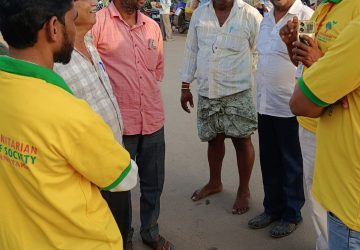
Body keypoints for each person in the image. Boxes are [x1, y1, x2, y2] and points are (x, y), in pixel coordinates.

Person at [0, 0, 137, 249]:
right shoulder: (68, 111)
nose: (74, 29)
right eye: (71, 20)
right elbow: (124, 177)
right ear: (54, 28)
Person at [289, 0, 360, 248]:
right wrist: (291, 45)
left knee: (327, 207)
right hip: (312, 119)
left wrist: (320, 64)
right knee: (315, 196)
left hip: (356, 179)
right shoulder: (319, 10)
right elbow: (302, 63)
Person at [53, 0, 136, 249]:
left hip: (114, 160)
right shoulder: (54, 61)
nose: (95, 2)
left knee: (121, 228)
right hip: (87, 177)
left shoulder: (88, 42)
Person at [91, 0, 173, 249]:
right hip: (118, 125)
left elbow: (156, 70)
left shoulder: (152, 27)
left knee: (153, 181)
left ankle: (150, 231)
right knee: (117, 188)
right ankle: (121, 236)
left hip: (152, 118)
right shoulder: (98, 23)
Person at [180, 0, 262, 215]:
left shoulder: (250, 15)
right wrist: (185, 86)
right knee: (213, 139)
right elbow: (191, 50)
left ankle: (244, 190)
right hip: (208, 90)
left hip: (238, 91)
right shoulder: (200, 14)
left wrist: (246, 72)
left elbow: (258, 50)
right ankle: (214, 182)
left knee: (242, 140)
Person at [248, 0, 312, 238]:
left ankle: (292, 213)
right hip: (265, 104)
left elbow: (309, 62)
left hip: (290, 107)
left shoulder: (306, 17)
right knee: (270, 161)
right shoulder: (265, 19)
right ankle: (271, 209)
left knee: (291, 164)